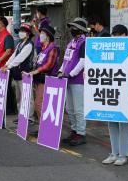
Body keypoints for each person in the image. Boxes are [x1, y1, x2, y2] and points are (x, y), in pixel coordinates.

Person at [102, 24, 128, 166]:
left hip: (124, 95)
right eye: (114, 35)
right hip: (110, 94)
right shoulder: (108, 52)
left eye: (118, 34)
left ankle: (123, 154)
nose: (115, 37)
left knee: (124, 125)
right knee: (111, 123)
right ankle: (113, 153)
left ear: (125, 35)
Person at [58, 17, 88, 146]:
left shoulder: (84, 42)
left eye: (74, 28)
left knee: (78, 109)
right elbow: (66, 60)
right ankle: (74, 130)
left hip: (78, 80)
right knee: (69, 108)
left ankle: (80, 133)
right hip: (67, 79)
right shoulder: (71, 42)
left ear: (80, 30)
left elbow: (83, 61)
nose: (72, 30)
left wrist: (70, 73)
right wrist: (61, 71)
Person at [27, 25, 59, 136]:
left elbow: (49, 65)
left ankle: (45, 128)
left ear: (48, 36)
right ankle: (43, 127)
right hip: (39, 79)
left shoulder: (53, 48)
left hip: (47, 79)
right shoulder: (43, 48)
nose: (40, 35)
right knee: (41, 104)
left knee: (39, 104)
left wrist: (37, 71)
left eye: (42, 34)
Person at [2, 23, 35, 122]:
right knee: (19, 96)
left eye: (23, 31)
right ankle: (22, 115)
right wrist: (7, 65)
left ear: (28, 33)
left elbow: (20, 58)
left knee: (27, 96)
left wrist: (9, 65)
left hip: (25, 73)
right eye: (20, 31)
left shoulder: (29, 44)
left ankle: (29, 117)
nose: (21, 33)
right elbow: (14, 56)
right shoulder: (20, 44)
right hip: (17, 73)